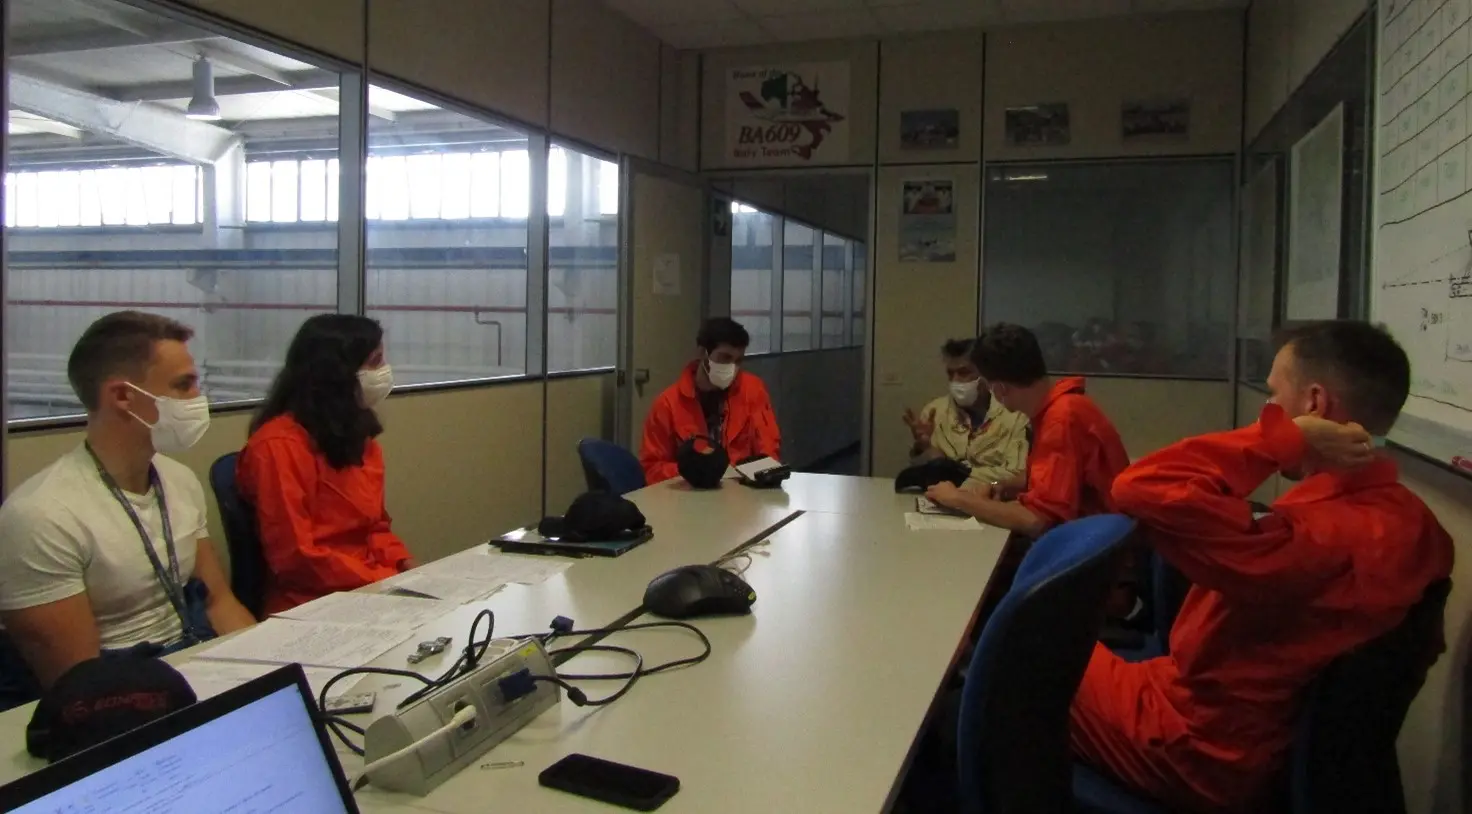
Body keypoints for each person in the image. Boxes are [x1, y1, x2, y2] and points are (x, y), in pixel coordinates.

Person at [1071, 321, 1454, 812]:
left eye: (1274, 396)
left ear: (1314, 405)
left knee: (1021, 664)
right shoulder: (1404, 518)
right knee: (1050, 644)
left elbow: (1138, 488)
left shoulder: (1325, 539)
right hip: (1198, 704)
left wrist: (1282, 441)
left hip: (1201, 746)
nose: (1265, 411)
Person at [0, 312, 255, 690]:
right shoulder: (41, 516)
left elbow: (219, 604)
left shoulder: (179, 481)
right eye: (183, 385)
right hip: (121, 692)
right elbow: (81, 687)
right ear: (122, 396)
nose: (198, 399)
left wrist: (273, 672)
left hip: (196, 662)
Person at [237, 315, 414, 614]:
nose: (384, 371)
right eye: (375, 362)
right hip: (311, 603)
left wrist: (407, 566)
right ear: (337, 372)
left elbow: (374, 528)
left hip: (371, 587)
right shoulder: (278, 447)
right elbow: (296, 558)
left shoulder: (359, 439)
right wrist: (384, 581)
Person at [925, 323, 1129, 538]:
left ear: (1000, 389)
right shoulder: (1064, 407)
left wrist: (959, 499)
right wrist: (999, 485)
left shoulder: (1061, 420)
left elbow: (1038, 521)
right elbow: (1051, 480)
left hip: (1096, 546)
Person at [639, 317, 781, 484]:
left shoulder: (753, 391)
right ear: (702, 353)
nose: (732, 367)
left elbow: (768, 449)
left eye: (738, 361)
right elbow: (651, 468)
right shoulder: (668, 404)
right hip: (689, 492)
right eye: (725, 358)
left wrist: (763, 475)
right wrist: (691, 471)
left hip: (741, 490)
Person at [903, 337, 1028, 490]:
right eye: (950, 374)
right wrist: (923, 448)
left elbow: (1017, 475)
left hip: (991, 500)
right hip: (937, 497)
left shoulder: (1015, 416)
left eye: (964, 372)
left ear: (986, 374)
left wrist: (959, 473)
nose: (955, 381)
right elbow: (918, 473)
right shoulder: (934, 412)